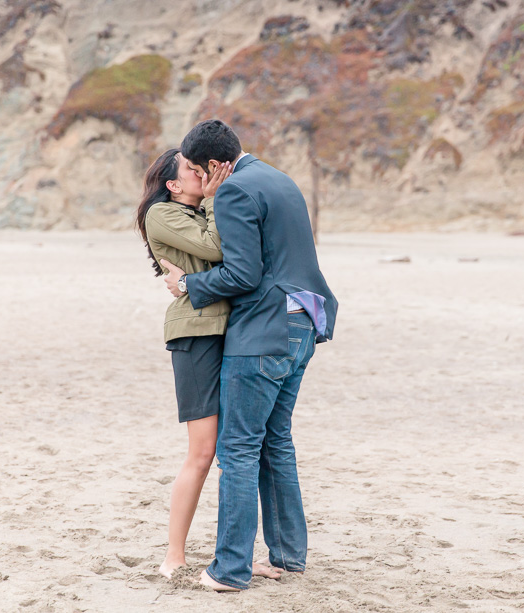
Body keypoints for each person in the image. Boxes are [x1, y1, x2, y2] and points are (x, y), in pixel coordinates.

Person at [160, 119, 338, 591]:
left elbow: (242, 273)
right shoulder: (280, 179)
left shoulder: (235, 191)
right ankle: (286, 557)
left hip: (263, 329)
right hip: (305, 324)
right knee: (275, 443)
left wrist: (188, 284)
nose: (196, 180)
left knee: (237, 449)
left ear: (215, 167)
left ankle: (230, 570)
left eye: (196, 171)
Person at [135, 148, 232, 579]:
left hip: (226, 328)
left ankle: (234, 552)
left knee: (235, 449)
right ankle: (174, 553)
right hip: (194, 333)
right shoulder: (162, 214)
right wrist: (215, 198)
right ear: (173, 185)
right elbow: (215, 248)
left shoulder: (198, 210)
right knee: (202, 450)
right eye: (191, 171)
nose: (201, 174)